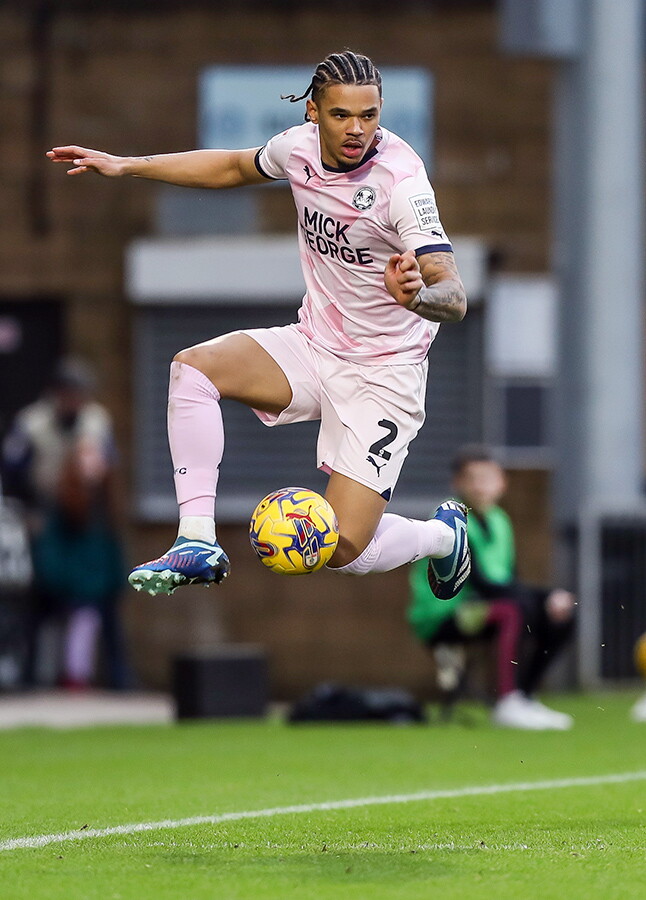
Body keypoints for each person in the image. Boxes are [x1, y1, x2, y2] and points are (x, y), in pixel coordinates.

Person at [47, 50, 471, 601]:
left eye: (369, 115)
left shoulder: (402, 183)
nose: (357, 130)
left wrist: (417, 298)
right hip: (316, 343)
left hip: (385, 373)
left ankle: (442, 537)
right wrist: (130, 165)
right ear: (313, 113)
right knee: (193, 370)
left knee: (339, 549)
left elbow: (455, 295)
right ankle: (196, 540)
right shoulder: (296, 149)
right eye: (342, 115)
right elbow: (230, 167)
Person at [408, 446, 576, 729]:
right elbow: (480, 584)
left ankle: (525, 697)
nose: (480, 486)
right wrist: (543, 597)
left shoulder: (500, 520)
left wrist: (549, 599)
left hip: (483, 606)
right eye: (472, 478)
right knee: (512, 610)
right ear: (457, 483)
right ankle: (507, 702)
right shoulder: (451, 519)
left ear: (501, 483)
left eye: (487, 478)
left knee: (560, 612)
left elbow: (509, 580)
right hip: (443, 614)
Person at [2, 358, 131, 689]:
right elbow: (12, 473)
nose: (75, 401)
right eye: (69, 393)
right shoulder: (31, 423)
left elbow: (109, 470)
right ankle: (27, 676)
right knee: (41, 597)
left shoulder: (96, 421)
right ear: (56, 394)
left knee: (104, 596)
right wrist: (28, 513)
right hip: (46, 518)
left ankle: (119, 677)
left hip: (86, 518)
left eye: (80, 394)